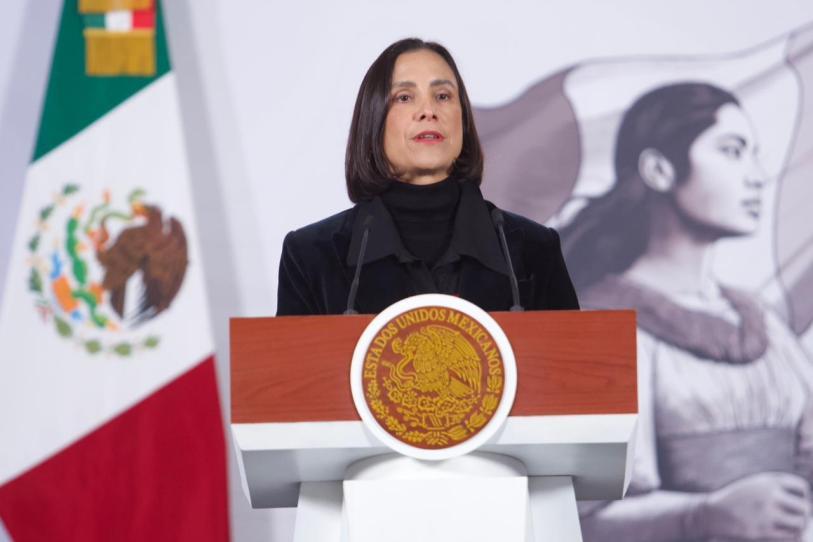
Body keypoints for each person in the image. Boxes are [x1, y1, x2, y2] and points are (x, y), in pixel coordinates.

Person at [561, 82, 813, 541]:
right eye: (732, 151)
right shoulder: (599, 325)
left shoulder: (762, 321)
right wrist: (703, 515)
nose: (756, 176)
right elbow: (579, 517)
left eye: (754, 155)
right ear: (659, 170)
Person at [276, 38, 579, 316]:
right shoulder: (311, 256)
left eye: (443, 96)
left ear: (463, 119)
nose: (428, 111)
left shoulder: (533, 250)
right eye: (405, 97)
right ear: (373, 119)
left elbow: (575, 357)